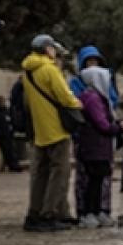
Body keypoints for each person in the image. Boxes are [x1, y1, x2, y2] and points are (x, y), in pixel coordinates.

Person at [21, 33, 82, 232]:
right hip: (56, 128)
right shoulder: (49, 69)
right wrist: (78, 104)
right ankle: (50, 213)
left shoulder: (27, 72)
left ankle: (36, 211)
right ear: (48, 49)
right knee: (60, 173)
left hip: (40, 129)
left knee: (40, 174)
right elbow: (64, 96)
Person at [75, 62, 123, 228]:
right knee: (93, 181)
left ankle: (98, 211)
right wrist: (118, 127)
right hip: (94, 146)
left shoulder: (98, 97)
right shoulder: (92, 98)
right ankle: (88, 212)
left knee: (98, 181)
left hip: (99, 147)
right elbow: (102, 123)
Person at [70, 45, 118, 227]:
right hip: (91, 139)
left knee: (102, 177)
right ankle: (87, 210)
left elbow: (112, 100)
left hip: (101, 142)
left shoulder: (103, 86)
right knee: (88, 178)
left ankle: (102, 209)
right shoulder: (81, 87)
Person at [0, 96, 22, 172]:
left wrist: (13, 130)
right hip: (1, 136)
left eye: (3, 101)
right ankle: (12, 165)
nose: (2, 103)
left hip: (9, 135)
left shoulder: (8, 111)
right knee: (5, 151)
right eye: (0, 102)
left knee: (12, 150)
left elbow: (13, 121)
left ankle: (14, 165)